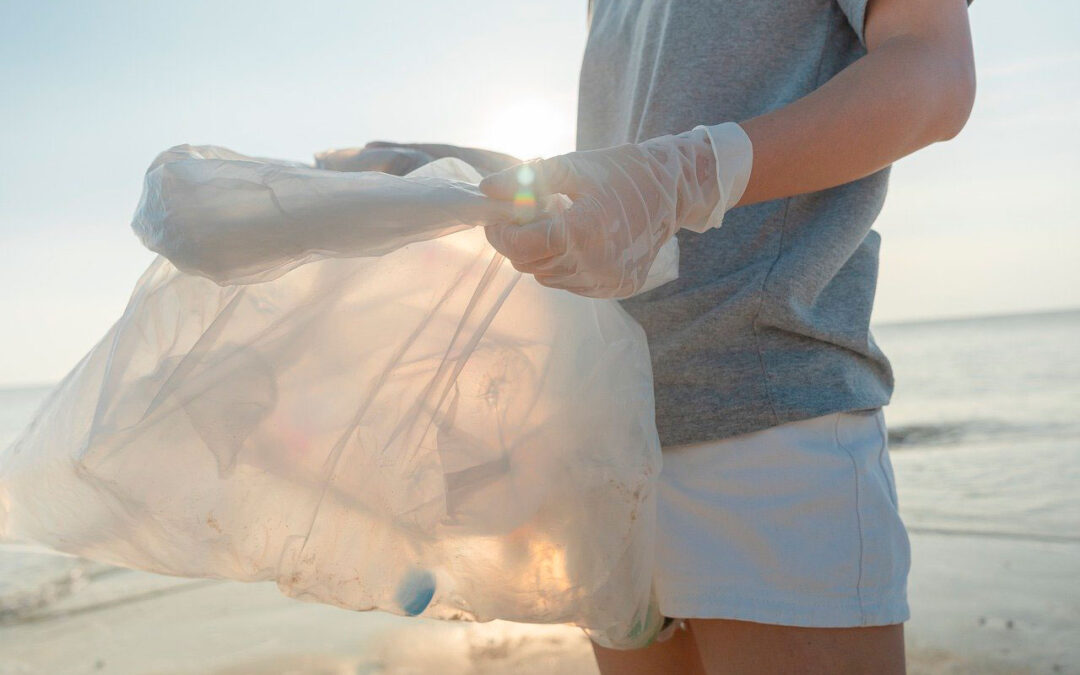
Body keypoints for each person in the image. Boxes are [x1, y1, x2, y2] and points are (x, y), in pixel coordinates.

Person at [332, 0, 975, 671]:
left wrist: (691, 174)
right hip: (614, 437)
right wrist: (458, 176)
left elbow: (936, 70)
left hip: (770, 425)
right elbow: (634, 162)